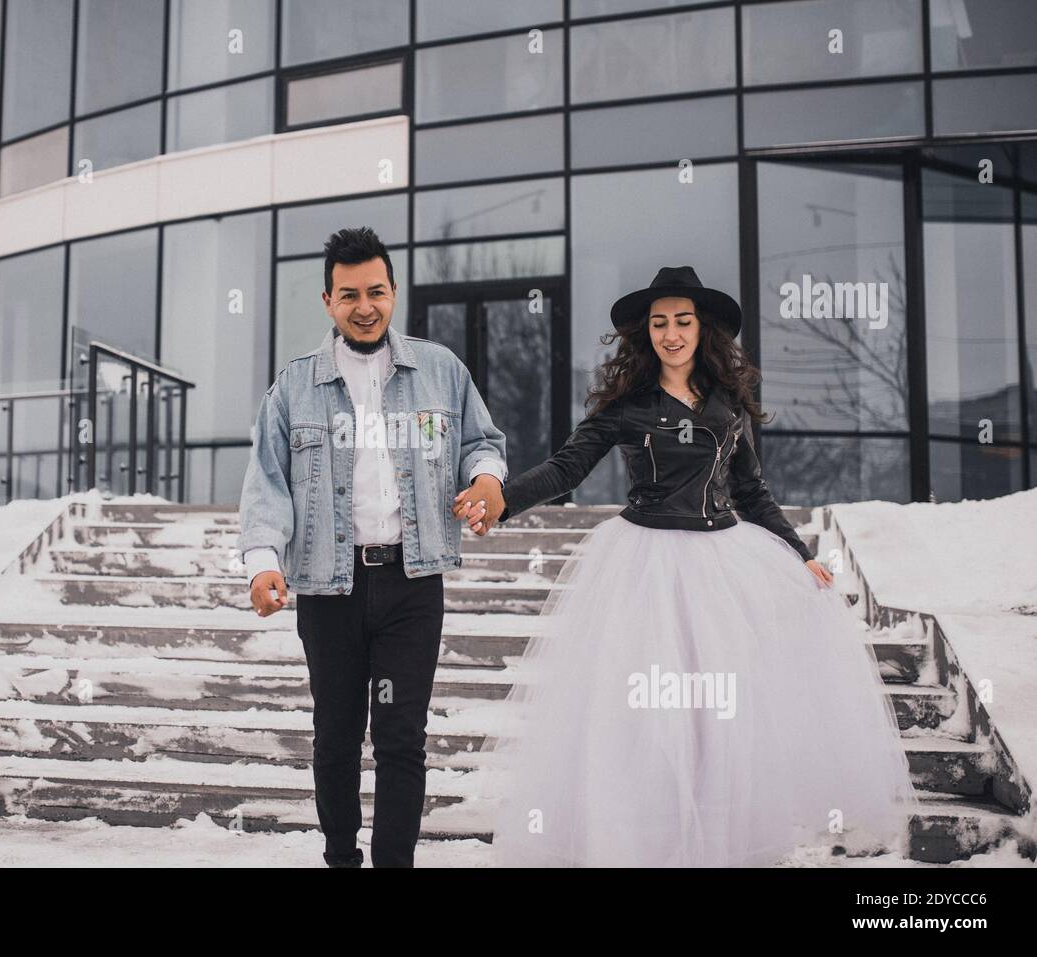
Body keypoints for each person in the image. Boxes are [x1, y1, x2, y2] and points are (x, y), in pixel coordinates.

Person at [473, 265, 919, 867]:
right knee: (646, 715)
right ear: (646, 334)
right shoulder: (627, 406)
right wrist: (503, 501)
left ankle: (712, 847)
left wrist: (799, 553)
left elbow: (753, 491)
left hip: (719, 566)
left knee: (718, 716)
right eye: (659, 323)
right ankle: (646, 844)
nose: (671, 332)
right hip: (643, 566)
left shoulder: (727, 404)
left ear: (701, 329)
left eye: (682, 321)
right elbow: (566, 468)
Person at [237, 226, 507, 867]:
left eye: (377, 292)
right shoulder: (294, 387)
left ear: (394, 293)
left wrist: (488, 480)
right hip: (329, 590)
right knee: (334, 737)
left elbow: (481, 442)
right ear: (327, 300)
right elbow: (267, 483)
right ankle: (340, 858)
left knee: (400, 738)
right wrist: (262, 564)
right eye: (350, 294)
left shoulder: (441, 370)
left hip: (411, 585)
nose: (365, 306)